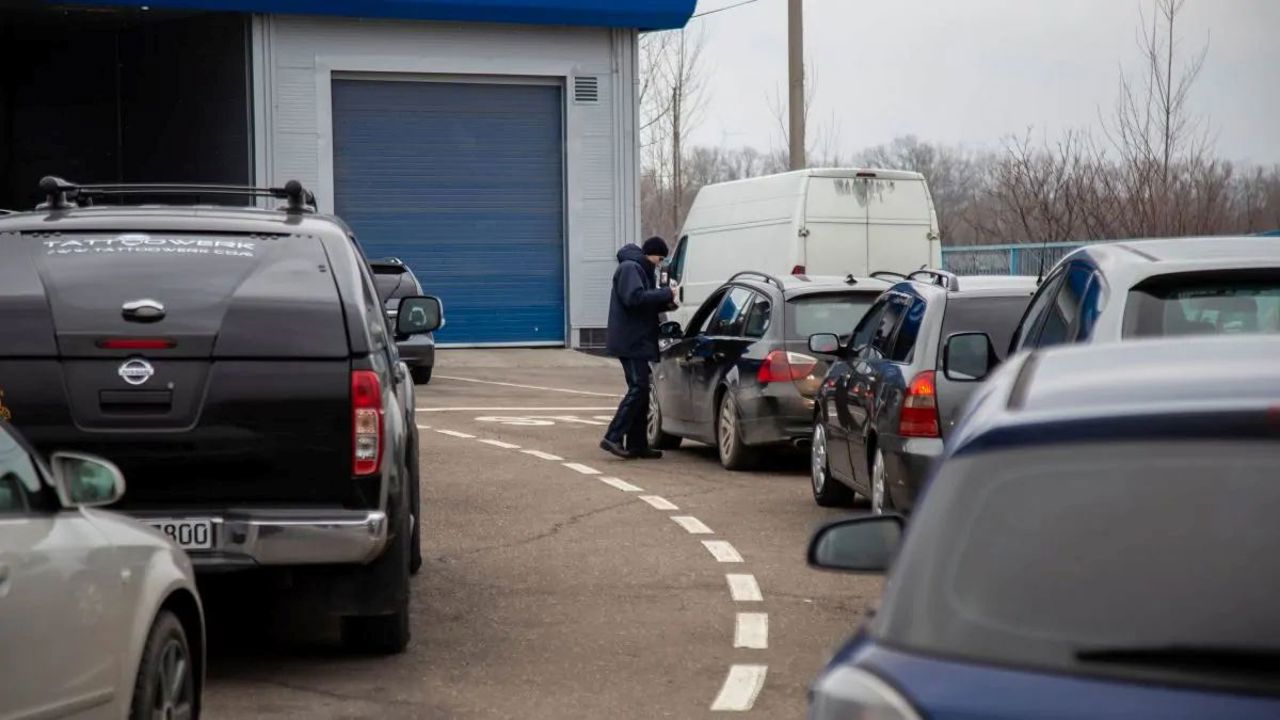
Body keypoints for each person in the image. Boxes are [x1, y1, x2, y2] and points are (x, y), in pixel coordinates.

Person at [601, 237, 678, 460]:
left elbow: (644, 301)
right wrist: (665, 294)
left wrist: (668, 302)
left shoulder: (640, 269)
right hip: (631, 341)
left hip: (638, 340)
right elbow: (634, 298)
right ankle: (613, 436)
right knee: (638, 388)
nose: (660, 263)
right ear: (651, 253)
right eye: (660, 258)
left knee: (642, 392)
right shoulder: (630, 268)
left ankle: (637, 444)